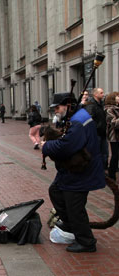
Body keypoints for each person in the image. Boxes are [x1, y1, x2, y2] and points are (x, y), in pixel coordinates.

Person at [42, 92, 105, 253]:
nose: (55, 111)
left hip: (81, 170)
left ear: (68, 106)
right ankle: (69, 224)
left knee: (75, 207)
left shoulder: (78, 121)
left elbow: (66, 146)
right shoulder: (76, 117)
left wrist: (46, 146)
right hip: (72, 169)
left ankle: (86, 241)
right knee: (55, 191)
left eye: (57, 107)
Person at [85, 88, 108, 169]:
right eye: (101, 93)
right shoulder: (91, 105)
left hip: (103, 133)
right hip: (96, 134)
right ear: (95, 94)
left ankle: (102, 171)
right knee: (96, 153)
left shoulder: (101, 103)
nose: (103, 94)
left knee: (105, 154)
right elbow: (90, 120)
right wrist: (96, 129)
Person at [104, 92, 119, 180]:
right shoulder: (109, 109)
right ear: (113, 98)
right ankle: (111, 174)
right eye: (117, 96)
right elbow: (113, 123)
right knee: (115, 155)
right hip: (114, 135)